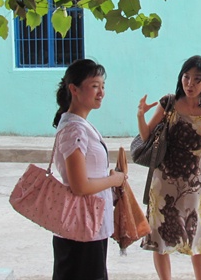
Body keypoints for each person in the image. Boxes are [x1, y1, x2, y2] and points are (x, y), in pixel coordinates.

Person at [136, 55, 201, 280]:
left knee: (198, 238)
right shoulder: (168, 103)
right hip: (163, 185)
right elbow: (146, 135)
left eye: (197, 79)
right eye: (186, 77)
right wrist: (140, 115)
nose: (190, 83)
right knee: (160, 239)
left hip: (195, 189)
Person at [51, 59, 126, 280]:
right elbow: (80, 185)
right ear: (73, 89)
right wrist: (114, 180)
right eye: (94, 86)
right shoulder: (74, 129)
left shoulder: (80, 125)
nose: (101, 92)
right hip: (81, 227)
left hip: (89, 224)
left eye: (103, 86)